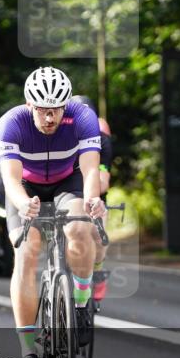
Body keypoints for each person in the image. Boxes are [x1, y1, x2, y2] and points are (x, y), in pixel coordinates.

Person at [0, 67, 105, 358]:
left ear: (65, 105)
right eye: (43, 109)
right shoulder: (10, 123)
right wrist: (22, 203)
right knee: (26, 253)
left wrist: (92, 200)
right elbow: (11, 179)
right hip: (25, 187)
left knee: (80, 229)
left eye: (56, 109)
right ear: (29, 105)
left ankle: (81, 305)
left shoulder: (82, 117)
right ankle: (28, 353)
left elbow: (90, 170)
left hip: (66, 182)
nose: (49, 117)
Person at [70, 95, 114, 303]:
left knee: (98, 233)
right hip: (67, 192)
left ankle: (97, 270)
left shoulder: (102, 140)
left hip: (93, 194)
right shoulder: (58, 135)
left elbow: (103, 181)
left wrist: (89, 189)